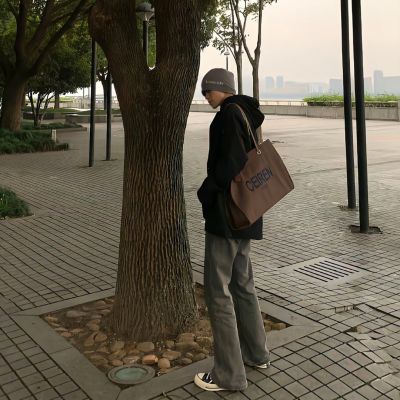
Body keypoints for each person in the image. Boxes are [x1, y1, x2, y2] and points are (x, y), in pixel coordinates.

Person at [194, 68, 270, 392]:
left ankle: (229, 375)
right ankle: (257, 354)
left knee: (218, 291)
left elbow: (231, 163)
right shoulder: (246, 113)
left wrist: (206, 190)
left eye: (207, 90)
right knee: (242, 285)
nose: (205, 96)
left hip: (227, 217)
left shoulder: (227, 115)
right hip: (247, 213)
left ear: (221, 88)